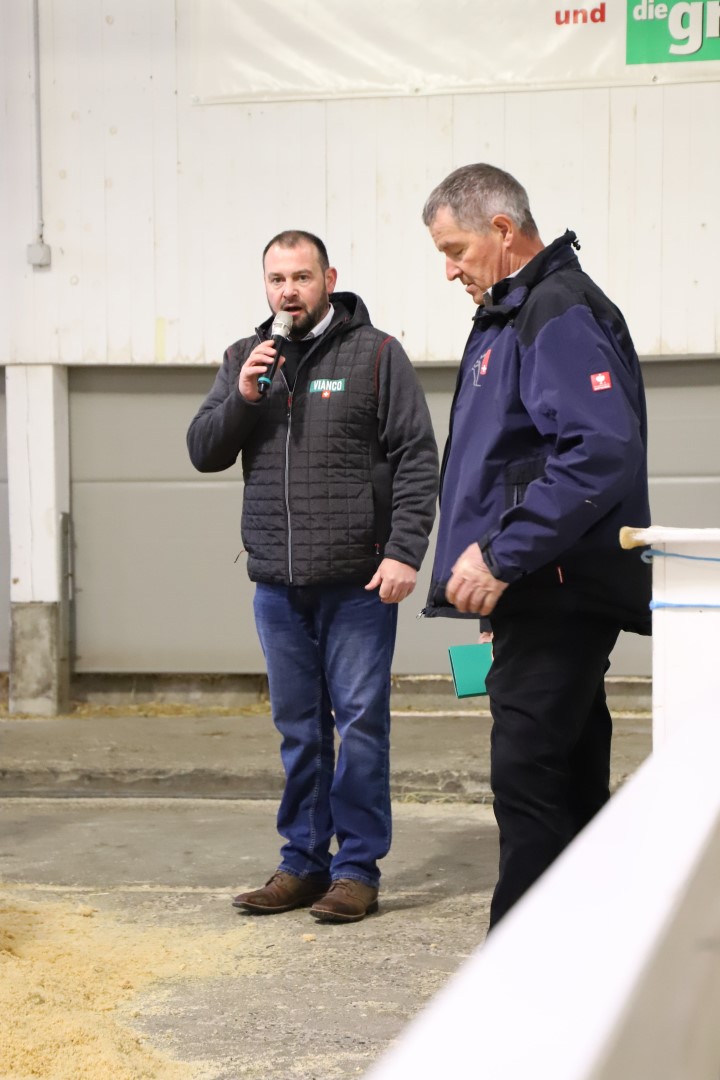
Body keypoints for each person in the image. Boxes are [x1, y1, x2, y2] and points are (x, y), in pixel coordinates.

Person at [421, 164, 651, 929]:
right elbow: (508, 463)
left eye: (455, 250)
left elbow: (599, 449)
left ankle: (517, 970)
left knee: (529, 785)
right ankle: (594, 955)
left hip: (557, 588)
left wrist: (501, 555)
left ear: (501, 229)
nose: (449, 270)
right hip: (538, 590)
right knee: (571, 783)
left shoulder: (555, 308)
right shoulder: (510, 315)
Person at [187, 230, 439, 923]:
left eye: (301, 277)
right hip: (277, 585)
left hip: (359, 582)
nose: (288, 291)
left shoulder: (377, 354)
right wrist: (243, 397)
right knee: (299, 730)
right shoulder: (245, 359)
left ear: (329, 279)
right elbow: (204, 450)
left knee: (359, 726)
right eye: (277, 279)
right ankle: (302, 863)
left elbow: (417, 457)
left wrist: (405, 551)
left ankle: (356, 870)